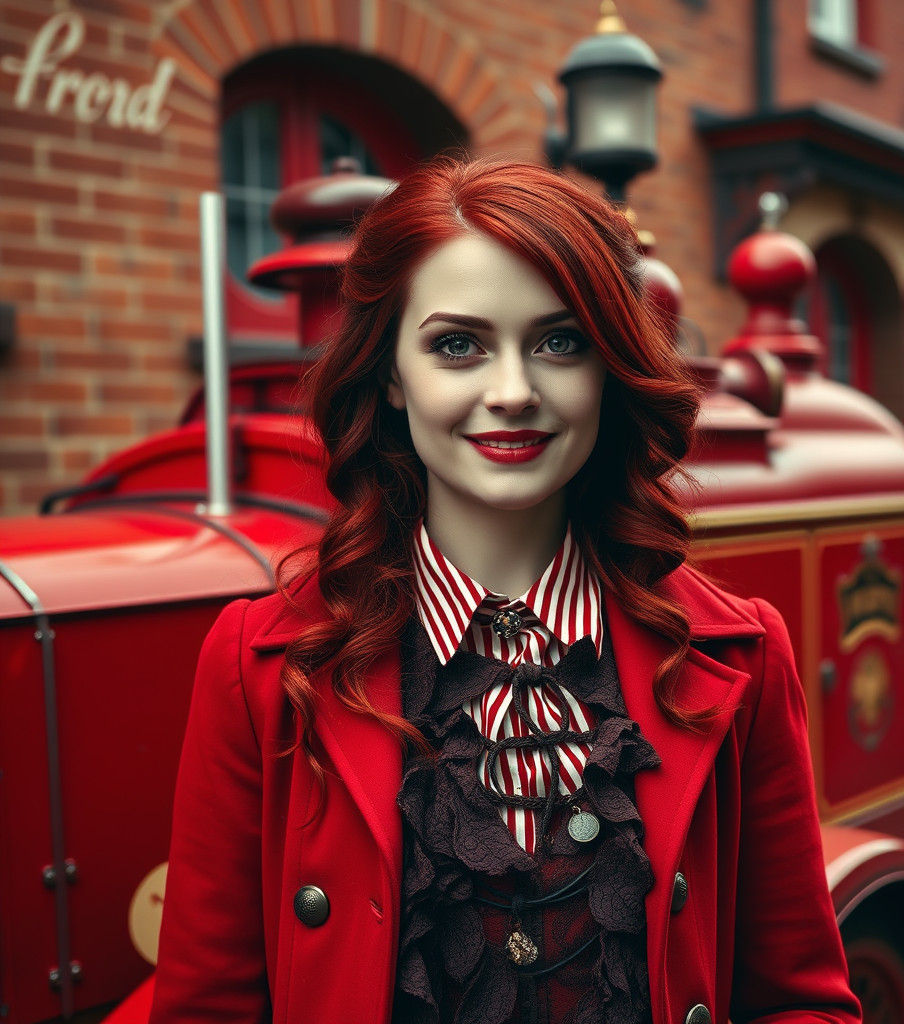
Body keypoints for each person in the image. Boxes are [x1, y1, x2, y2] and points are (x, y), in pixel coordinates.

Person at [149, 158, 862, 1024]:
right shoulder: (258, 666)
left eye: (560, 342)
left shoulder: (739, 653)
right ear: (388, 373)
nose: (514, 392)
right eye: (458, 345)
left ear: (608, 366)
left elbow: (800, 1001)